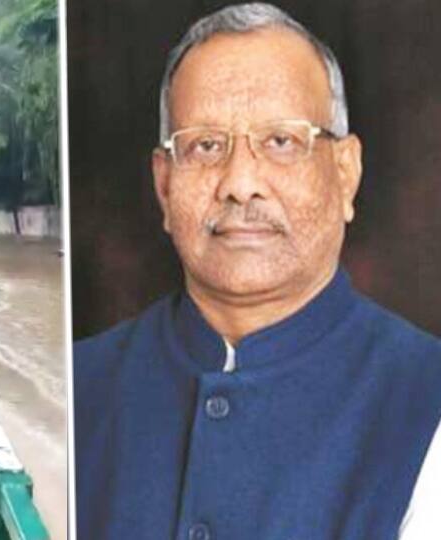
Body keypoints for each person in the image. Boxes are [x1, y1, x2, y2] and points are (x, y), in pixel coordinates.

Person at [73, 4, 441, 539]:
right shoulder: (80, 384)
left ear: (345, 173)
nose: (241, 183)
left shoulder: (426, 402)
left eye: (281, 141)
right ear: (164, 186)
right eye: (205, 145)